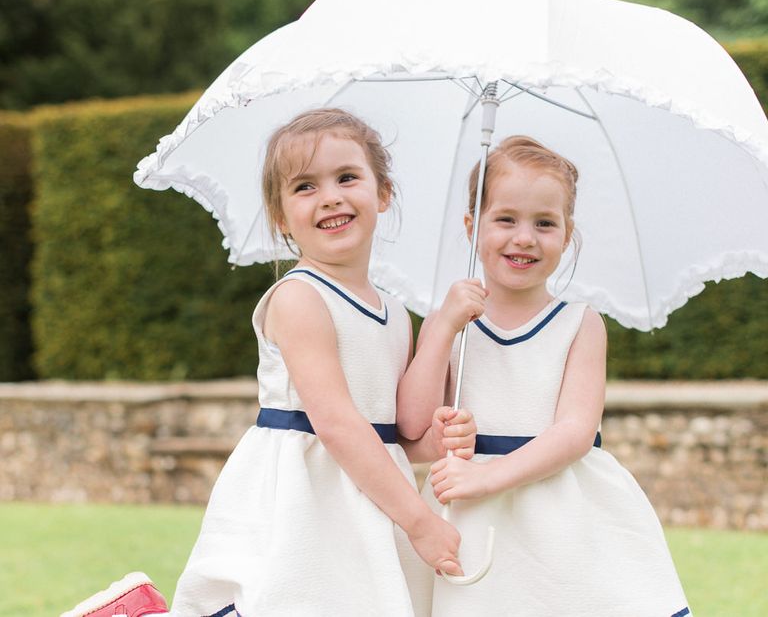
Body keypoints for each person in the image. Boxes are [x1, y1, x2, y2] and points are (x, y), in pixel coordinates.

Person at [61, 108, 477, 617]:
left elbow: (396, 432)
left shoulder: (394, 313)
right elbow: (339, 425)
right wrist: (418, 520)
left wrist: (436, 436)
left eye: (348, 177)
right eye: (305, 187)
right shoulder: (299, 298)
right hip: (304, 495)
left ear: (383, 192)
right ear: (280, 216)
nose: (330, 196)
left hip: (368, 498)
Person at [397, 135, 691, 617]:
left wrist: (488, 479)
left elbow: (575, 431)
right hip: (466, 513)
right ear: (473, 226)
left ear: (567, 233)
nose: (525, 237)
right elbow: (411, 423)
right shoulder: (445, 322)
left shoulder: (580, 323)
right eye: (506, 219)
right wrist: (444, 328)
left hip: (557, 510)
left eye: (545, 223)